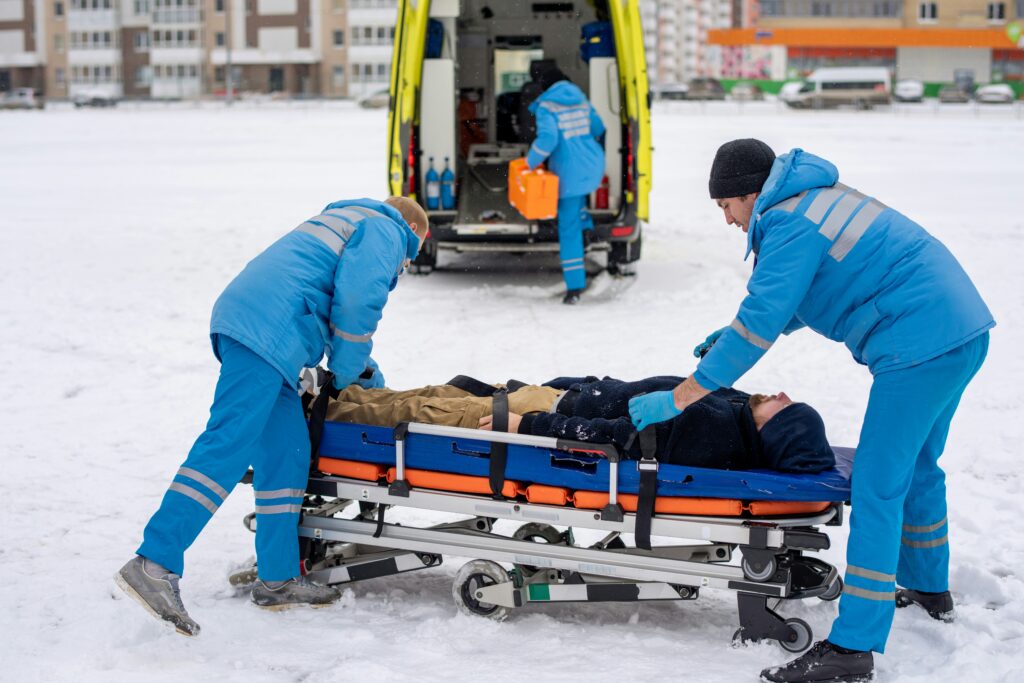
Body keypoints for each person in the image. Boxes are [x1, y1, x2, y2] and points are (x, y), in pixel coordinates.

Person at [626, 139, 994, 682]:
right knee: (916, 468)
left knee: (876, 484)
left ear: (751, 194)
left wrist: (677, 398)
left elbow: (760, 322)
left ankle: (852, 648)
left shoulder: (788, 223)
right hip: (957, 329)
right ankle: (927, 587)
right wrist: (734, 334)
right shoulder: (811, 199)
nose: (728, 220)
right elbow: (815, 290)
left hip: (920, 344)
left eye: (726, 206)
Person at [115, 196, 429, 636]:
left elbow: (339, 309)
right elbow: (358, 304)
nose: (404, 268)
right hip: (267, 331)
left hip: (268, 330)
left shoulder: (351, 218)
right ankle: (154, 563)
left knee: (287, 452)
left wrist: (359, 372)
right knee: (228, 443)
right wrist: (347, 377)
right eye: (408, 263)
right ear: (416, 233)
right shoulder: (388, 231)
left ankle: (278, 579)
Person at [323, 375, 835, 473]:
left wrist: (528, 425)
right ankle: (346, 396)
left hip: (553, 414)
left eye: (786, 408)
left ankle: (328, 413)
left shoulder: (713, 432)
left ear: (775, 433)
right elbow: (632, 395)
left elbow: (615, 438)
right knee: (442, 395)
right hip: (564, 396)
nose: (783, 396)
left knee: (427, 413)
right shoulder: (739, 411)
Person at [524, 60, 606, 305]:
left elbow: (547, 140)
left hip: (569, 172)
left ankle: (574, 287)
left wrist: (529, 163)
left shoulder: (546, 106)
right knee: (579, 202)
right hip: (592, 166)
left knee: (567, 229)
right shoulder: (580, 98)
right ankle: (588, 227)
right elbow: (598, 127)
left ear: (544, 86)